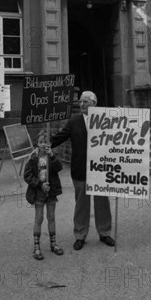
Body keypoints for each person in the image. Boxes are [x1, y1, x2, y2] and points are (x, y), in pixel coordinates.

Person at [51, 90, 115, 250]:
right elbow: (61, 136)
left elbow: (117, 138)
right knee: (81, 204)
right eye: (80, 102)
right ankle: (80, 235)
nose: (81, 104)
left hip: (100, 168)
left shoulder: (105, 120)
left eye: (85, 101)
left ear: (94, 103)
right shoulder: (74, 122)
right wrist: (46, 145)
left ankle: (105, 232)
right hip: (80, 168)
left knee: (102, 203)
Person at [24, 129, 64, 260]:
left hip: (51, 193)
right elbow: (27, 175)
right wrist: (40, 184)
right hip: (39, 193)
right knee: (39, 218)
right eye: (40, 142)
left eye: (45, 142)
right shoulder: (33, 157)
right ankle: (36, 247)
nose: (43, 144)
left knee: (51, 217)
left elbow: (59, 167)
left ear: (49, 143)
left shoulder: (52, 155)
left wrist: (52, 155)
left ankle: (53, 243)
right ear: (37, 143)